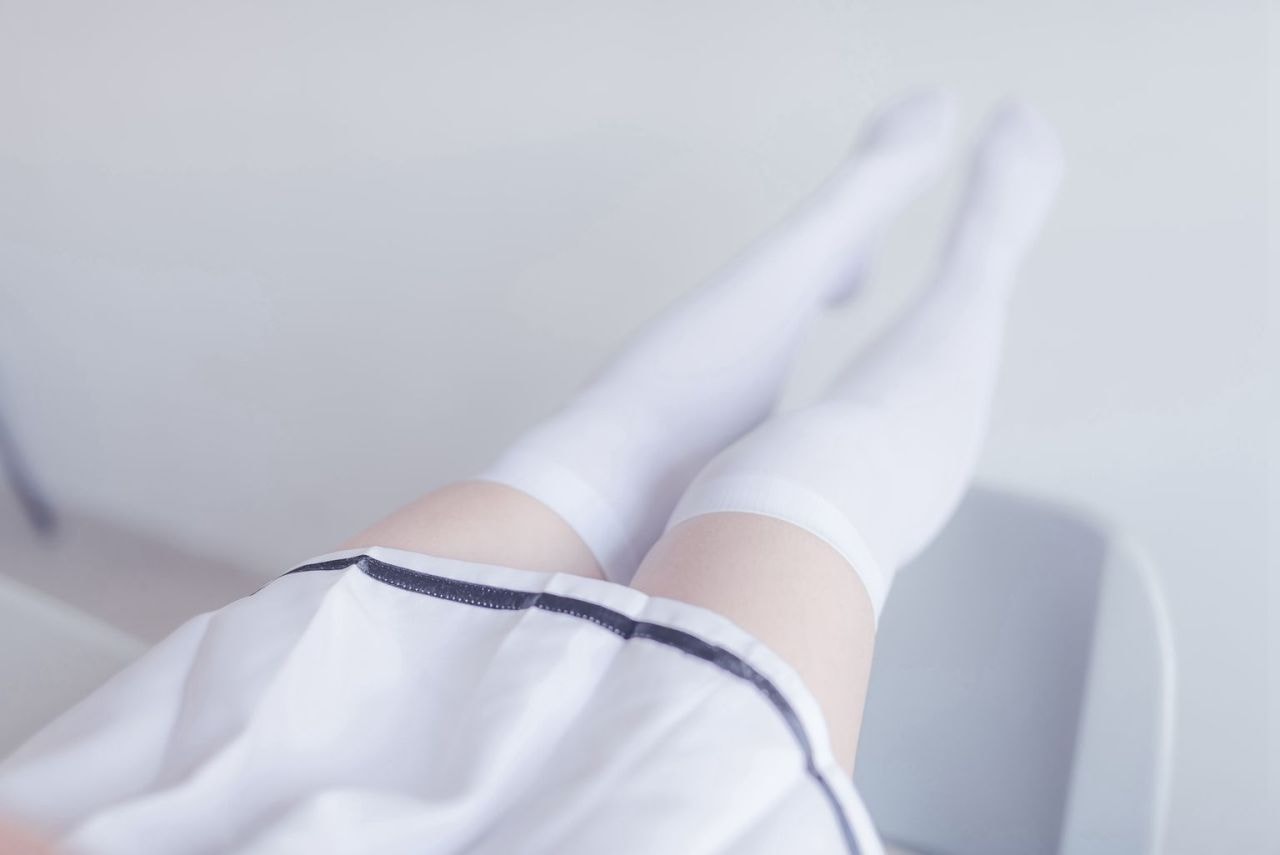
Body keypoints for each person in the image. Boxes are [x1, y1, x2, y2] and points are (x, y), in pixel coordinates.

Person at [0, 92, 1062, 854]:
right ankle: (983, 262)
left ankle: (840, 221)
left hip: (204, 799)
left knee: (593, 450)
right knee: (798, 481)